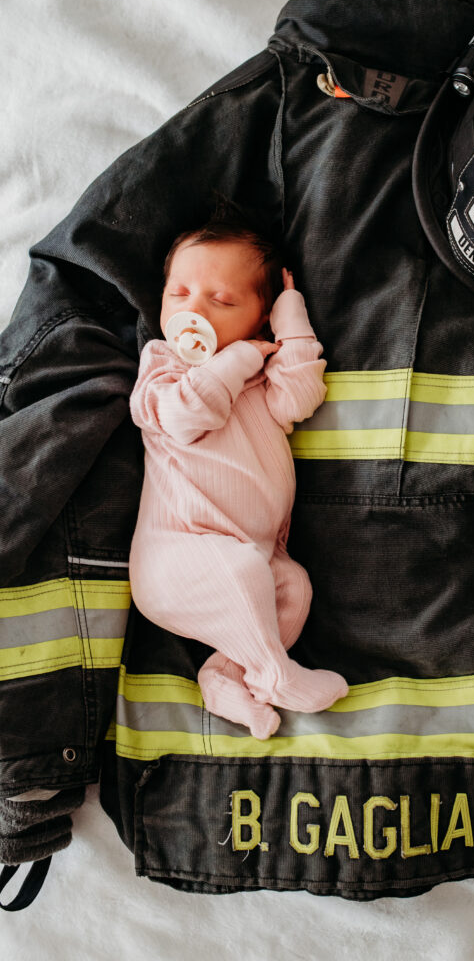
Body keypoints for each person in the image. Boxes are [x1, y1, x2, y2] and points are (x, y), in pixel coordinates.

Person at [127, 199, 348, 740]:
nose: (193, 309)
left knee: (291, 586)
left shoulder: (261, 381)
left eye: (222, 299)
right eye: (178, 294)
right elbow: (183, 417)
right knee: (244, 571)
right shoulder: (163, 367)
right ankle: (275, 674)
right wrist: (237, 358)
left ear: (259, 313)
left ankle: (226, 675)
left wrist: (290, 318)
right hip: (177, 554)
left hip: (251, 552)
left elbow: (300, 396)